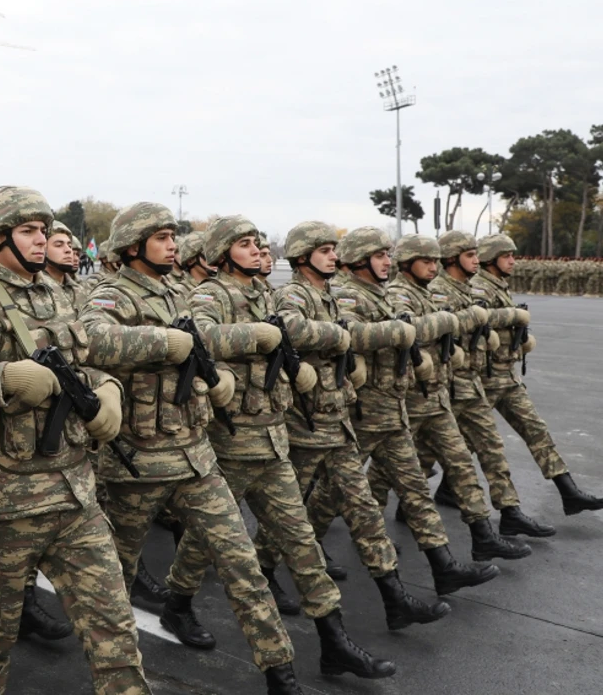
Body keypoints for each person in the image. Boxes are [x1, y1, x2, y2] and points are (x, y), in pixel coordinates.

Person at [0, 186, 150, 695]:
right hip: (5, 504)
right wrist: (4, 379)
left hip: (75, 494)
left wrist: (106, 388)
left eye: (44, 231)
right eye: (28, 231)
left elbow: (84, 363)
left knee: (115, 629)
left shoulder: (56, 293)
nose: (42, 240)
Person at [81, 203, 304, 695]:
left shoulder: (179, 291)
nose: (173, 245)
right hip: (135, 462)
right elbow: (91, 342)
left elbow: (205, 340)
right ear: (134, 246)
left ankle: (280, 673)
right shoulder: (110, 294)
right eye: (161, 237)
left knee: (242, 563)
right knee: (112, 583)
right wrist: (167, 343)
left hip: (195, 456)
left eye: (172, 236)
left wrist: (214, 375)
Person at [189, 215, 394, 681]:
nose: (256, 249)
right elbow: (197, 339)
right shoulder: (211, 293)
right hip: (235, 439)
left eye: (257, 242)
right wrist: (257, 337)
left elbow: (291, 336)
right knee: (224, 553)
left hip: (274, 435)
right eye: (244, 243)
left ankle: (334, 643)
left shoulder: (263, 293)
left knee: (303, 545)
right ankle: (184, 601)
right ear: (223, 252)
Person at [253, 221, 448, 632]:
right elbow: (287, 328)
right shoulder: (293, 292)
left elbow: (348, 335)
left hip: (338, 418)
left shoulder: (325, 295)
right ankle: (265, 570)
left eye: (334, 249)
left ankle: (395, 598)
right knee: (285, 517)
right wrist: (340, 336)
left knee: (365, 513)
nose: (332, 256)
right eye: (324, 250)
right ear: (304, 257)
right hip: (306, 423)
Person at [309, 227, 500, 597]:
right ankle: (300, 545)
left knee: (415, 488)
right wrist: (415, 328)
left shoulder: (380, 293)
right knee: (334, 491)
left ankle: (443, 566)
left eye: (388, 255)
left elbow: (408, 329)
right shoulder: (347, 293)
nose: (387, 262)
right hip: (364, 410)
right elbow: (354, 334)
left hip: (394, 407)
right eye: (379, 256)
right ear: (361, 260)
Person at [371, 234, 531, 561]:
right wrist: (452, 322)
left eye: (436, 261)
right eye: (427, 261)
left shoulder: (427, 292)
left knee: (461, 463)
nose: (434, 267)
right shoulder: (400, 293)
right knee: (385, 472)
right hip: (413, 396)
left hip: (440, 393)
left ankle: (483, 535)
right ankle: (364, 530)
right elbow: (407, 328)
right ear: (408, 264)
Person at [429, 231, 556, 537]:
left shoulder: (472, 288)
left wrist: (509, 331)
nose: (477, 261)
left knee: (485, 448)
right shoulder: (438, 290)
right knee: (410, 461)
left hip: (471, 382)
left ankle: (504, 516)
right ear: (452, 258)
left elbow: (484, 317)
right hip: (442, 386)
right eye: (471, 255)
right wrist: (506, 317)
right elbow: (452, 322)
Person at [470, 234, 603, 516]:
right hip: (486, 377)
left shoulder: (498, 285)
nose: (513, 261)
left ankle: (569, 492)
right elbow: (476, 317)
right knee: (467, 442)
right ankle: (420, 493)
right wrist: (512, 316)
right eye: (507, 256)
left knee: (536, 430)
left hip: (507, 376)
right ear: (491, 260)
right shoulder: (479, 287)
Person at [45, 220, 87, 312]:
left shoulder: (78, 290)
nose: (68, 250)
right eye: (59, 245)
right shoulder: (35, 290)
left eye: (69, 245)